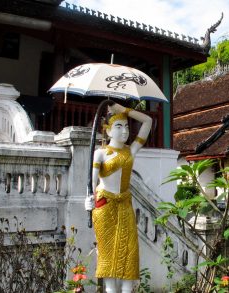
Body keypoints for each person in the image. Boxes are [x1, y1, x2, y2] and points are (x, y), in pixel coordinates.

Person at [85, 103, 152, 293]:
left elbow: (148, 121)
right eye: (119, 126)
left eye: (127, 126)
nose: (125, 131)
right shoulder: (100, 153)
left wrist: (124, 110)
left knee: (129, 252)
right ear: (107, 130)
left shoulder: (130, 150)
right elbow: (91, 182)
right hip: (104, 206)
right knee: (107, 255)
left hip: (124, 205)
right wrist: (88, 200)